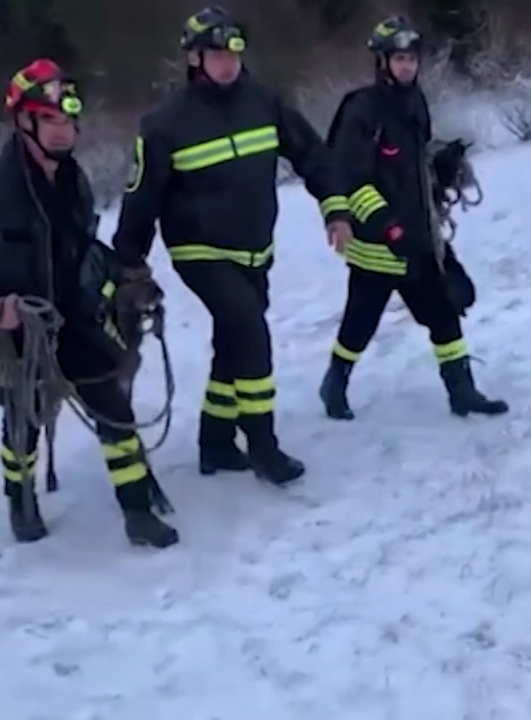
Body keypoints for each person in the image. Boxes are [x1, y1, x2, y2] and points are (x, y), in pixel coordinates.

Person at [0, 59, 179, 548]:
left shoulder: (74, 183)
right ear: (24, 123)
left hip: (72, 318)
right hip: (12, 333)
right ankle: (20, 499)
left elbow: (78, 249)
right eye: (50, 121)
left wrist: (125, 277)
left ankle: (138, 511)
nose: (63, 132)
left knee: (113, 407)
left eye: (67, 121)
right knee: (25, 421)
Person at [110, 6, 354, 486]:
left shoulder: (265, 102)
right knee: (250, 332)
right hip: (200, 252)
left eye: (234, 52)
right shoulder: (165, 124)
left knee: (233, 340)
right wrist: (128, 260)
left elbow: (312, 154)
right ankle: (263, 446)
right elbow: (142, 197)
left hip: (255, 250)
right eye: (217, 54)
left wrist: (336, 207)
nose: (227, 62)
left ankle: (216, 443)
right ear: (195, 58)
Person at [318, 16, 508, 420]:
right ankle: (334, 383)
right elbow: (351, 180)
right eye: (399, 59)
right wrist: (389, 226)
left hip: (420, 238)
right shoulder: (362, 109)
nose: (407, 66)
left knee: (444, 311)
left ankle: (462, 391)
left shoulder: (415, 102)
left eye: (411, 59)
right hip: (377, 246)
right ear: (382, 62)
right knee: (360, 323)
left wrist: (441, 166)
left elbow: (410, 168)